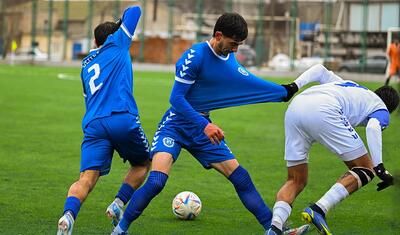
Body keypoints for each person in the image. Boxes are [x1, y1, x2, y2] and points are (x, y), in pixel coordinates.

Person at [110, 12, 311, 235]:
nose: (236, 50)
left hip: (202, 129)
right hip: (175, 125)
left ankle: (273, 230)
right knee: (157, 181)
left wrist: (282, 92)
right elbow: (176, 99)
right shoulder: (195, 56)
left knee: (241, 177)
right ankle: (120, 230)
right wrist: (204, 125)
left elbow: (247, 82)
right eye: (234, 43)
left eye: (239, 45)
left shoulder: (229, 58)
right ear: (218, 35)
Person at [266, 64, 399, 235]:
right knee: (366, 169)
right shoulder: (381, 107)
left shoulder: (352, 86)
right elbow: (373, 127)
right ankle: (319, 209)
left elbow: (319, 70)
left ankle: (274, 228)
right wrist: (380, 168)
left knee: (295, 180)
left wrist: (294, 86)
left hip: (295, 107)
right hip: (325, 110)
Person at [57, 6, 151, 235]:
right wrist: (120, 25)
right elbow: (136, 10)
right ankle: (118, 203)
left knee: (86, 179)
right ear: (111, 37)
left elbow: (88, 99)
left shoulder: (85, 65)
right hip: (120, 117)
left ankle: (68, 216)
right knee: (143, 164)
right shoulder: (117, 43)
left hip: (94, 124)